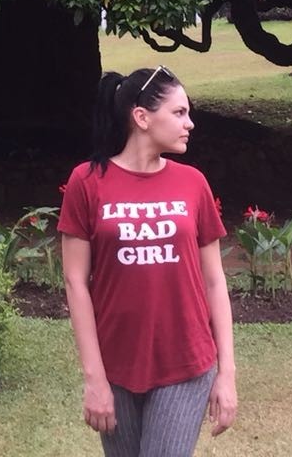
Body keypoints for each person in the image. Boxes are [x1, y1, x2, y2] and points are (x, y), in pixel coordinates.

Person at [58, 65, 237, 455]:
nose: (189, 124)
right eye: (179, 113)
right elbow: (75, 283)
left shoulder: (193, 183)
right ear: (141, 117)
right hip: (116, 367)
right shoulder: (86, 183)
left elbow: (215, 282)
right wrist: (95, 379)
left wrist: (227, 374)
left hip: (186, 364)